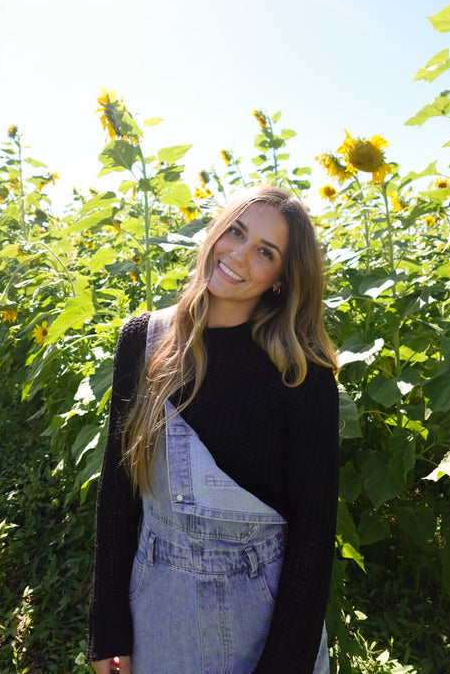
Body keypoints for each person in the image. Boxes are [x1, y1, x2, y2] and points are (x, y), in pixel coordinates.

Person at [87, 184, 339, 674]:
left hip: (262, 616)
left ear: (281, 279)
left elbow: (314, 537)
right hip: (158, 607)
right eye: (236, 232)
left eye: (265, 252)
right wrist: (107, 626)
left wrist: (284, 665)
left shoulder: (300, 373)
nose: (238, 255)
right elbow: (118, 491)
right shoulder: (144, 339)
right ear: (215, 231)